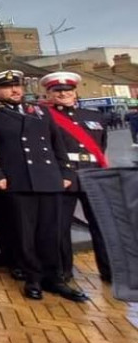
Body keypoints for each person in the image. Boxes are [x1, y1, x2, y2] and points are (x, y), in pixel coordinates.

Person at [0, 70, 83, 302]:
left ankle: (55, 278)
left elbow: (56, 143)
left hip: (49, 179)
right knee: (25, 234)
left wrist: (66, 171)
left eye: (18, 86)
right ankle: (33, 277)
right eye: (8, 87)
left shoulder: (40, 111)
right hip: (18, 180)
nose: (15, 90)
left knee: (51, 233)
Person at [39, 71, 111, 284]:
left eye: (67, 90)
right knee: (60, 227)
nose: (63, 94)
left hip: (92, 174)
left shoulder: (94, 117)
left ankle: (109, 271)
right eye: (57, 90)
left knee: (102, 226)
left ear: (75, 91)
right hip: (64, 176)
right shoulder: (43, 117)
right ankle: (63, 271)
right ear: (49, 93)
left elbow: (101, 146)